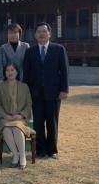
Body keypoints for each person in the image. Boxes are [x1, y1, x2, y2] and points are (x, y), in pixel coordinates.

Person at [23, 22, 69, 160]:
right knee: (38, 122)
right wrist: (26, 92)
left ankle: (52, 149)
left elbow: (65, 71)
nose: (41, 34)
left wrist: (64, 89)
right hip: (35, 93)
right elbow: (27, 74)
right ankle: (40, 149)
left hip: (54, 93)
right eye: (38, 31)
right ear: (35, 35)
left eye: (44, 31)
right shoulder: (30, 51)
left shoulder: (59, 49)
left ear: (49, 33)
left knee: (52, 121)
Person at [0, 63, 33, 169]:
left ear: (17, 72)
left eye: (12, 70)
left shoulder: (24, 86)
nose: (10, 73)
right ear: (4, 73)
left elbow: (29, 103)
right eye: (7, 70)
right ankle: (15, 155)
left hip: (20, 118)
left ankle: (23, 156)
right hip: (4, 118)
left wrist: (21, 115)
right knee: (6, 129)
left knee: (16, 128)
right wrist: (5, 115)